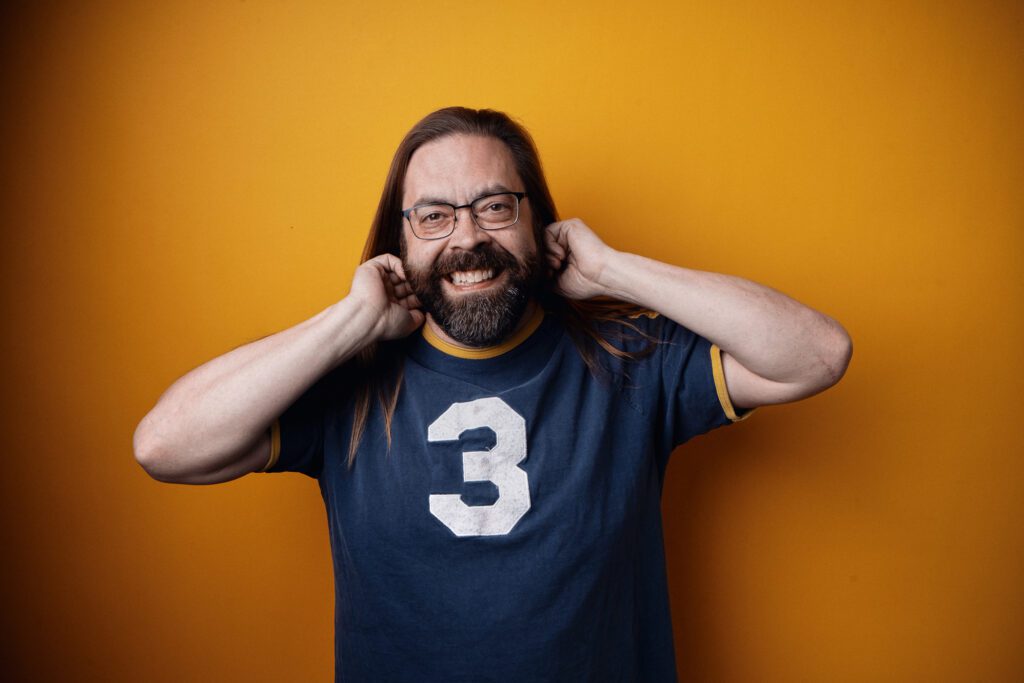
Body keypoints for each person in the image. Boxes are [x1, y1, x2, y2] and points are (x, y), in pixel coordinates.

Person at [134, 107, 852, 682]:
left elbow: (818, 353)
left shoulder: (629, 361)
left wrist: (616, 272)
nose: (468, 237)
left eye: (495, 206)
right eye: (435, 216)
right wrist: (351, 320)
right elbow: (165, 446)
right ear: (400, 239)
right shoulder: (346, 385)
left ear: (537, 221)